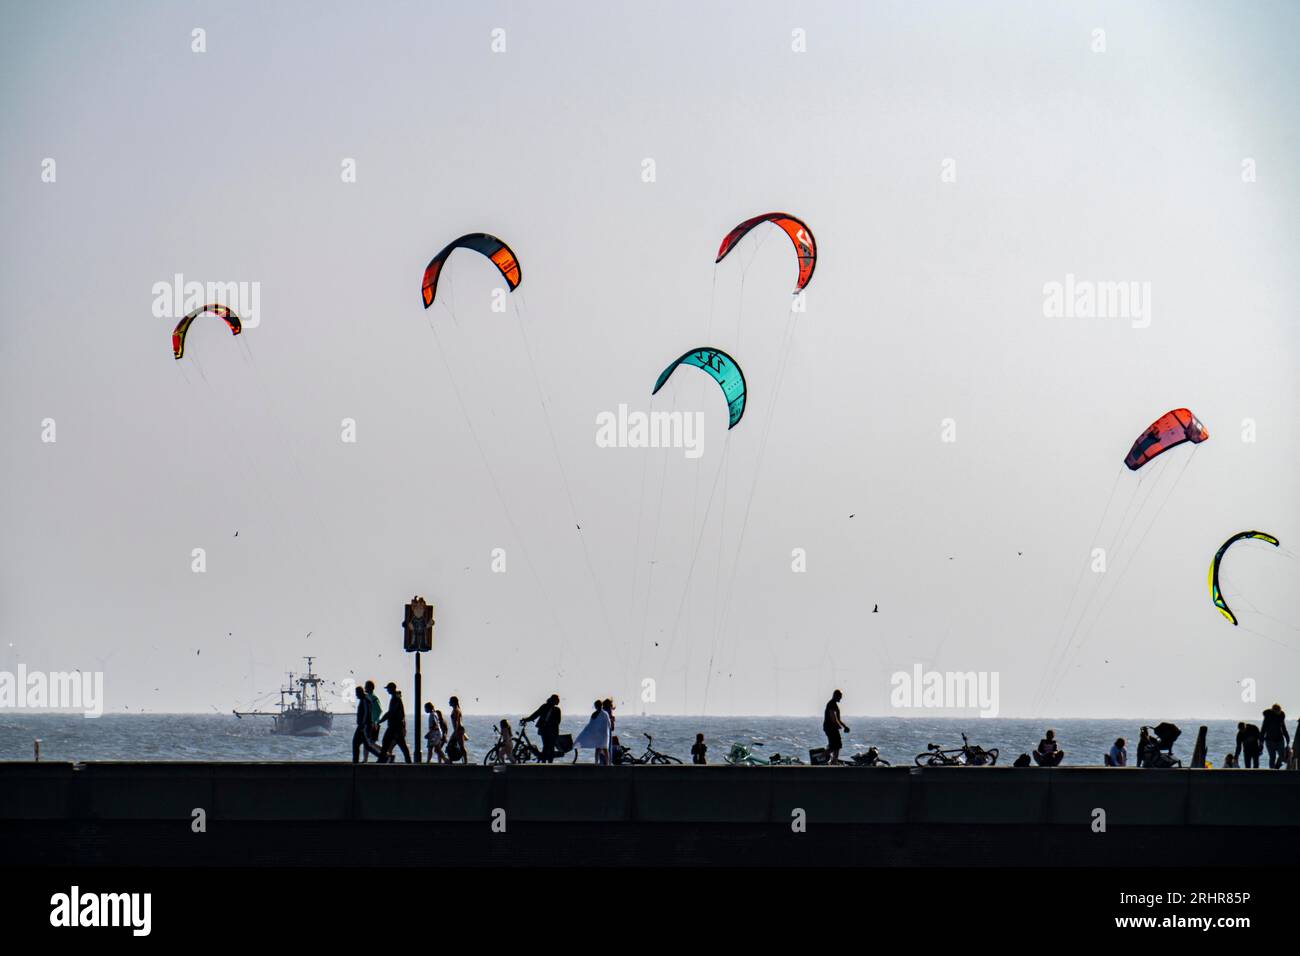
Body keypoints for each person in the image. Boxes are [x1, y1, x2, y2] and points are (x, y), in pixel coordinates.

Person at [377, 681, 411, 763]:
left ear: (392, 688)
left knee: (386, 742)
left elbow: (390, 712)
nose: (387, 690)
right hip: (396, 726)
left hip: (394, 726)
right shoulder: (396, 698)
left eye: (388, 689)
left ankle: (380, 761)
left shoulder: (395, 698)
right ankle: (409, 762)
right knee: (399, 745)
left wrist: (380, 721)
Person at [523, 694, 562, 763]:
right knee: (549, 746)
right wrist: (527, 719)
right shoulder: (552, 708)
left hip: (547, 730)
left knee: (547, 746)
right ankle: (547, 762)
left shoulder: (550, 708)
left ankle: (545, 761)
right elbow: (536, 714)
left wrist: (527, 719)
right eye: (557, 700)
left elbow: (535, 715)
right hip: (549, 730)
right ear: (554, 700)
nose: (558, 702)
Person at [574, 699, 611, 764]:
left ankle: (599, 762)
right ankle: (605, 763)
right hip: (603, 734)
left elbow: (591, 725)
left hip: (601, 734)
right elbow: (608, 724)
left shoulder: (599, 714)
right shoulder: (605, 713)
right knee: (603, 748)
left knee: (601, 748)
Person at [352, 686, 383, 763]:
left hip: (363, 726)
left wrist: (363, 723)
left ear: (360, 692)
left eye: (357, 693)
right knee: (367, 746)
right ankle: (383, 757)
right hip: (364, 725)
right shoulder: (364, 699)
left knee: (356, 742)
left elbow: (366, 712)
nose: (356, 695)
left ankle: (355, 761)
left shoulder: (365, 699)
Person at [823, 690, 850, 764]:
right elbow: (833, 717)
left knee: (837, 745)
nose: (840, 699)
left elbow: (838, 719)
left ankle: (834, 762)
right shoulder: (831, 704)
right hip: (830, 728)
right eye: (840, 697)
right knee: (835, 746)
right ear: (836, 696)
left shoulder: (834, 704)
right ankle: (821, 757)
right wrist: (838, 726)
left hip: (832, 728)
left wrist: (845, 726)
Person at [1261, 703, 1290, 769]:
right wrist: (1261, 742)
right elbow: (1263, 730)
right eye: (1277, 711)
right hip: (1269, 740)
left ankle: (1277, 766)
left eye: (1279, 711)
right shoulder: (1268, 717)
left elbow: (1284, 728)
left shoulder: (1281, 716)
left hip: (1279, 740)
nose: (1279, 712)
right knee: (1272, 757)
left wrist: (1287, 738)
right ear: (1274, 711)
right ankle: (1272, 772)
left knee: (1282, 756)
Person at [446, 696, 467, 764]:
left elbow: (457, 722)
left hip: (458, 730)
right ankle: (450, 760)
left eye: (450, 701)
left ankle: (465, 762)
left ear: (453, 702)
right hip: (457, 730)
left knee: (461, 746)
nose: (449, 702)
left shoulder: (456, 710)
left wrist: (455, 733)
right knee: (452, 744)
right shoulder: (456, 709)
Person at [364, 680, 382, 747]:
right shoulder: (367, 697)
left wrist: (374, 721)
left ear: (370, 688)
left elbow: (379, 710)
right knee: (367, 743)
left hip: (372, 724)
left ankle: (386, 754)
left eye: (366, 686)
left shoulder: (373, 698)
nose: (364, 688)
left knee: (371, 743)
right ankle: (365, 758)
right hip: (368, 723)